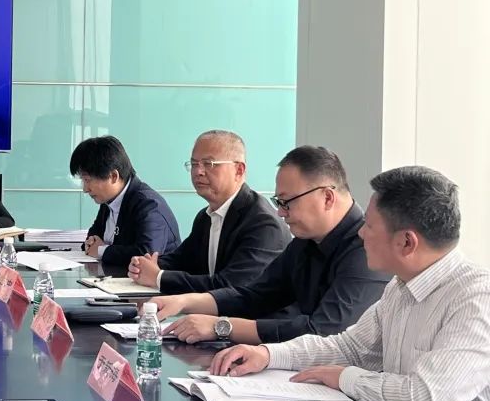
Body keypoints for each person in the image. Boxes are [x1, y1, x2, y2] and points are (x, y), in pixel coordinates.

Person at [211, 166, 490, 401]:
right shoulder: (400, 288)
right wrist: (269, 354)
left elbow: (425, 400)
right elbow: (351, 348)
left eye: (369, 225)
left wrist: (346, 377)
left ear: (407, 242)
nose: (360, 233)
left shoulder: (476, 297)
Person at [153, 146, 388, 344]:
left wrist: (222, 326)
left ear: (327, 197)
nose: (280, 212)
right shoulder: (305, 242)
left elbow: (323, 331)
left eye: (286, 202)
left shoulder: (366, 248)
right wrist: (183, 302)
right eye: (278, 202)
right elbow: (255, 296)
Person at [130, 130, 289, 293]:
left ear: (239, 170)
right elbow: (181, 260)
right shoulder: (205, 216)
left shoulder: (262, 223)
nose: (198, 171)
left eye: (209, 164)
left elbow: (231, 286)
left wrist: (159, 277)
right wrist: (144, 264)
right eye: (194, 164)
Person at [69, 135, 180, 266]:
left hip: (156, 278)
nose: (85, 189)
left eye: (87, 180)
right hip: (118, 276)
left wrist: (102, 250)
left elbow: (146, 255)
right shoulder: (108, 201)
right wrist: (92, 244)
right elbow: (93, 238)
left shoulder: (148, 205)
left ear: (113, 176)